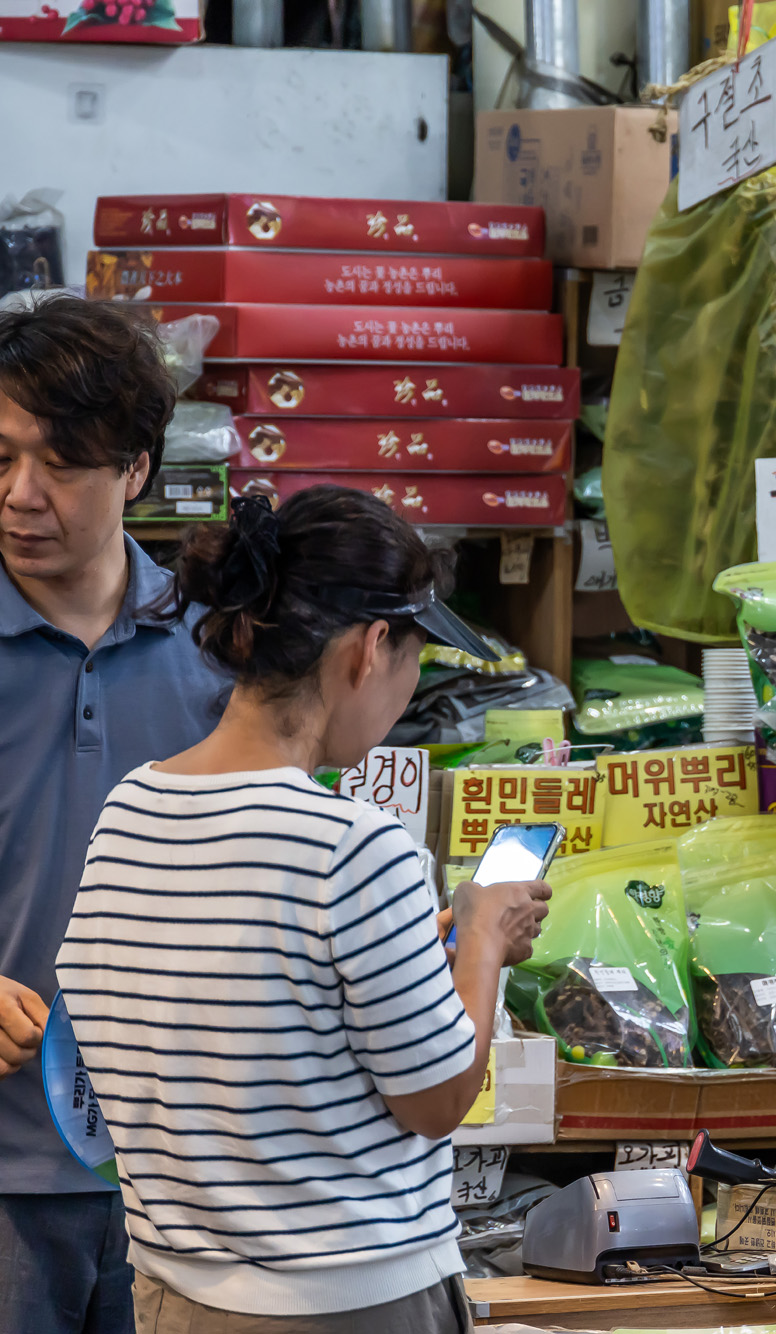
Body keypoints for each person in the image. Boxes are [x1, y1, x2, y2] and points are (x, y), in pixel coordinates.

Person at [55, 486, 551, 1334]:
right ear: (370, 649)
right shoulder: (354, 847)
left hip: (172, 1293)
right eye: (415, 664)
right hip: (345, 1301)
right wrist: (481, 942)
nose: (405, 697)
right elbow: (434, 1103)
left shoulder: (130, 811)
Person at [0, 295, 226, 1334]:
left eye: (61, 464)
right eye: (1, 457)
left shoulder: (221, 655)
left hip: (184, 1184)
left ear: (136, 468)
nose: (19, 495)